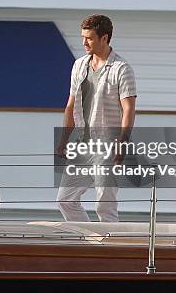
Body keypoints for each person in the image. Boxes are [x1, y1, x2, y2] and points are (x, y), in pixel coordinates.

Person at [56, 14, 136, 222]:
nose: (84, 42)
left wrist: (122, 143)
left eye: (89, 38)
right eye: (83, 37)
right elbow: (71, 105)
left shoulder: (122, 69)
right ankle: (88, 240)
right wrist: (64, 140)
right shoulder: (79, 65)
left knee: (104, 204)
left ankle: (110, 248)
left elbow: (128, 109)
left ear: (104, 38)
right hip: (82, 143)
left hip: (108, 144)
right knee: (65, 200)